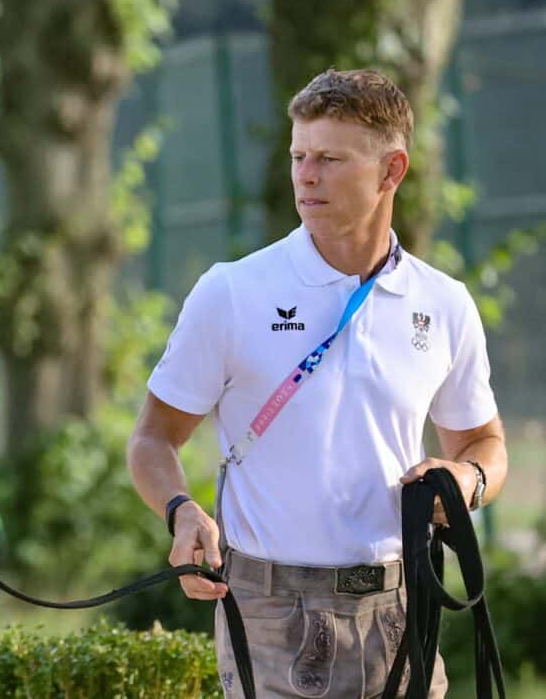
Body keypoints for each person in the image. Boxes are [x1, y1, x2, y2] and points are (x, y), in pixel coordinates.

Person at [126, 68, 507, 698]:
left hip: (405, 607)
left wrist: (470, 480)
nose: (306, 174)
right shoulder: (232, 291)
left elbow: (485, 441)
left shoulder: (444, 304)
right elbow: (152, 441)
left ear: (392, 171)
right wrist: (181, 510)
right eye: (300, 155)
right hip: (271, 611)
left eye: (330, 159)